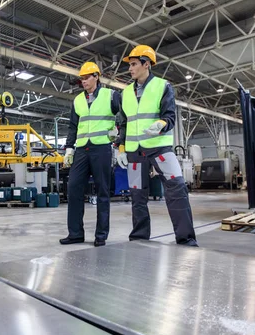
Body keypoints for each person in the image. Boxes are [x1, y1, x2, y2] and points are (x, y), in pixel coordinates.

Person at [117, 45, 198, 246]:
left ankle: (186, 238)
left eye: (134, 64)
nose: (130, 68)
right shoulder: (125, 92)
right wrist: (119, 147)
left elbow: (170, 116)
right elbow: (124, 123)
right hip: (135, 152)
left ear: (147, 64)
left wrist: (160, 125)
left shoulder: (163, 86)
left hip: (160, 148)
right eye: (130, 65)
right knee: (137, 195)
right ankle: (139, 237)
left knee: (177, 189)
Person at [60, 62, 121, 247]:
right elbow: (73, 126)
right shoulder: (77, 100)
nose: (84, 81)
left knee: (103, 191)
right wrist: (69, 148)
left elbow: (124, 117)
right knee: (74, 188)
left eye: (87, 77)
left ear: (96, 76)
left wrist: (117, 135)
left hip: (101, 148)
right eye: (82, 78)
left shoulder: (111, 96)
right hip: (81, 150)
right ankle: (75, 233)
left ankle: (101, 235)